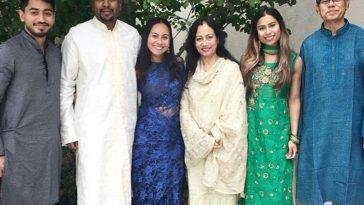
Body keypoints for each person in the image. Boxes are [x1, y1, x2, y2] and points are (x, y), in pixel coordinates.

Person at [60, 0, 141, 204]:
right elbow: (66, 86)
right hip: (91, 132)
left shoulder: (132, 36)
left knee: (121, 188)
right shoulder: (77, 35)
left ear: (120, 3)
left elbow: (136, 81)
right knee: (92, 188)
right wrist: (69, 130)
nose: (106, 4)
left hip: (124, 128)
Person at [297, 0, 364, 204]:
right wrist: (298, 134)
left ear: (347, 4)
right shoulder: (308, 45)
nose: (331, 4)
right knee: (316, 190)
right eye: (325, 1)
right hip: (317, 134)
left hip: (353, 133)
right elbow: (300, 93)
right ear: (317, 8)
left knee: (353, 188)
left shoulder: (361, 39)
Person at [180, 16, 247, 205]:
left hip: (222, 150)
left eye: (209, 37)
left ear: (218, 38)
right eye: (199, 38)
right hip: (198, 153)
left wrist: (215, 136)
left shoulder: (230, 70)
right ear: (193, 42)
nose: (204, 43)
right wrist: (203, 140)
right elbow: (184, 110)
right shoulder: (191, 73)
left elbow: (235, 111)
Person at [0, 0, 61, 204]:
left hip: (49, 153)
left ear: (54, 16)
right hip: (16, 152)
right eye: (34, 12)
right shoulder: (8, 51)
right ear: (21, 15)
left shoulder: (56, 54)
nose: (41, 19)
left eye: (47, 13)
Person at [239, 6, 302, 205]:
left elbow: (294, 99)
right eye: (262, 27)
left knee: (278, 187)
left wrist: (293, 136)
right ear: (256, 33)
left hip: (279, 136)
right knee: (253, 188)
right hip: (252, 134)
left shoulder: (293, 60)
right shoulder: (248, 61)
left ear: (281, 27)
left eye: (272, 25)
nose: (268, 31)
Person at [131, 17, 186, 205]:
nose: (159, 41)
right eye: (155, 36)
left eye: (165, 37)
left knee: (171, 188)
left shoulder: (179, 64)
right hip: (146, 142)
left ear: (170, 41)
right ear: (146, 38)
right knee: (147, 190)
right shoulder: (138, 68)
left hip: (173, 140)